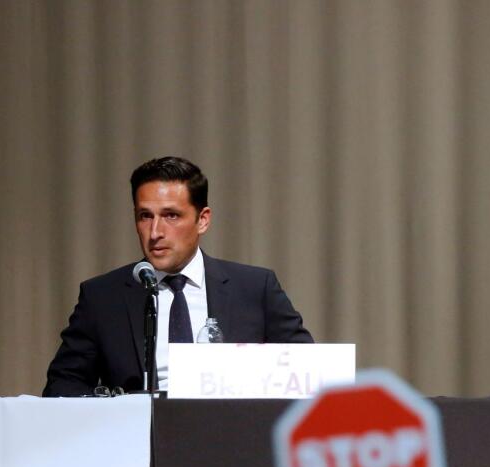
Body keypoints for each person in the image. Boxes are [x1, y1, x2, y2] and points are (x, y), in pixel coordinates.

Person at [43, 156, 313, 396]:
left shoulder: (254, 288)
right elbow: (63, 385)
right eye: (145, 216)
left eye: (171, 215)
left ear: (203, 220)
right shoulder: (103, 296)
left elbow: (307, 371)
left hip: (229, 439)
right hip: (137, 443)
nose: (155, 231)